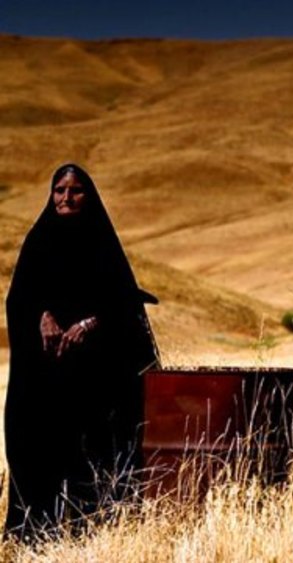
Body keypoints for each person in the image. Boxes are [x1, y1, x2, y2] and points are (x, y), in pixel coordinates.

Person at [4, 163, 159, 541]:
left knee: (95, 449)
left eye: (76, 191)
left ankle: (97, 530)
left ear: (88, 196)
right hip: (46, 378)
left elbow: (124, 304)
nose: (66, 198)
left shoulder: (102, 244)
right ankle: (38, 532)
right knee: (36, 443)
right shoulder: (39, 240)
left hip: (96, 380)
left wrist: (89, 325)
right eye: (59, 190)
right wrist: (42, 316)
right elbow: (19, 297)